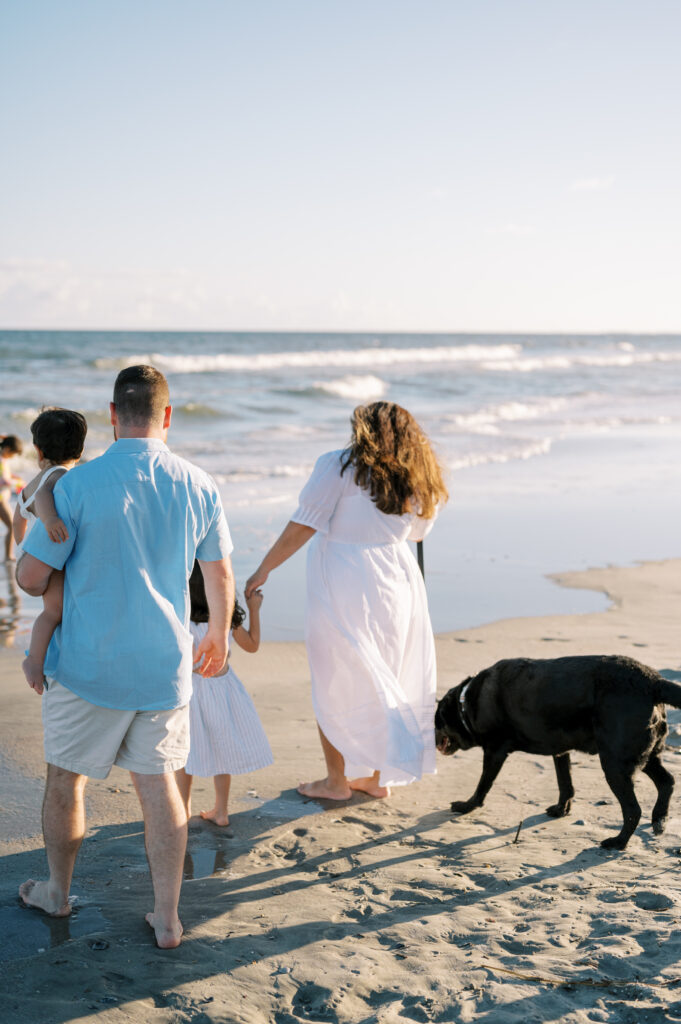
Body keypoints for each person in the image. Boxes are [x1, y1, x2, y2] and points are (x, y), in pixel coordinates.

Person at [15, 365, 234, 949]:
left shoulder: (77, 485)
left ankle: (57, 893)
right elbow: (219, 572)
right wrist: (217, 634)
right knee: (160, 785)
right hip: (165, 665)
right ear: (167, 416)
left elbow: (34, 578)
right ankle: (167, 918)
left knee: (66, 780)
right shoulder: (199, 483)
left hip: (89, 667)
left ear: (113, 415)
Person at [245, 401, 448, 801]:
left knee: (333, 677)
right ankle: (376, 778)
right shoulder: (419, 474)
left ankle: (337, 781)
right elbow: (420, 532)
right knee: (384, 672)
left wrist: (263, 569)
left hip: (344, 576)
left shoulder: (337, 465)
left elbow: (304, 524)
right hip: (397, 578)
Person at [176, 562, 272, 827]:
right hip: (224, 689)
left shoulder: (180, 620)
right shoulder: (225, 618)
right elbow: (252, 646)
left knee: (184, 755)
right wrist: (254, 610)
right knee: (223, 749)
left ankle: (181, 811)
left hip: (190, 692)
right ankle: (221, 811)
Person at [13, 408, 87, 691]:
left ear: (37, 451)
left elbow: (20, 516)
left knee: (52, 611)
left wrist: (22, 549)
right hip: (44, 562)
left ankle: (39, 657)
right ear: (79, 451)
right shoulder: (60, 476)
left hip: (31, 558)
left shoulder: (29, 484)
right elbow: (45, 497)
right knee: (54, 612)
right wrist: (51, 519)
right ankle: (34, 659)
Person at [1, 434, 25, 560]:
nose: (12, 457)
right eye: (13, 454)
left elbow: (5, 476)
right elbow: (3, 481)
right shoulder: (1, 460)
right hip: (0, 500)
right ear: (7, 450)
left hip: (3, 499)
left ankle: (7, 555)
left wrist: (14, 477)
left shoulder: (3, 460)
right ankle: (8, 556)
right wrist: (18, 483)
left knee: (10, 525)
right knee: (11, 525)